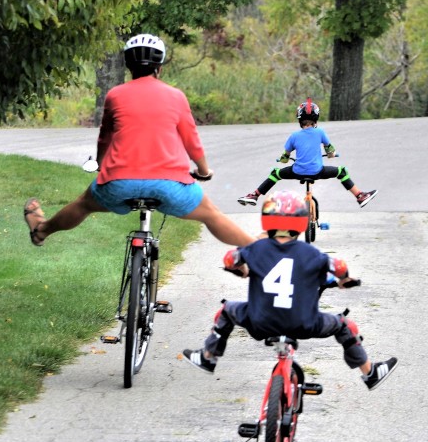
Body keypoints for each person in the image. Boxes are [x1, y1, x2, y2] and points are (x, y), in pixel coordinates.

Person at [24, 33, 255, 248]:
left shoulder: (115, 94)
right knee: (211, 214)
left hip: (119, 184)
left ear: (128, 66)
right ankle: (263, 251)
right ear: (159, 67)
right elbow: (191, 141)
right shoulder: (176, 96)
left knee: (84, 203)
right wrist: (204, 171)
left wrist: (102, 166)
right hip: (170, 185)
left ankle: (41, 231)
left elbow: (105, 138)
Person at [182, 190, 398, 391]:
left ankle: (209, 357)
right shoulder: (311, 254)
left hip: (259, 322)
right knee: (344, 325)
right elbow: (338, 265)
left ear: (266, 220)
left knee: (226, 311)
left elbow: (230, 259)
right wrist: (344, 280)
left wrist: (242, 269)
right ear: (303, 221)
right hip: (305, 324)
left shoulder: (256, 249)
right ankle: (370, 373)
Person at [237, 98, 378, 207]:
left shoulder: (294, 136)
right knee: (341, 171)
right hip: (318, 171)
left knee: (276, 174)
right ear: (316, 119)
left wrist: (282, 160)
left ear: (300, 120)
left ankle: (254, 195)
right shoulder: (320, 132)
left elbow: (285, 157)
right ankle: (360, 196)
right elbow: (330, 151)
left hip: (297, 171)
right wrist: (332, 155)